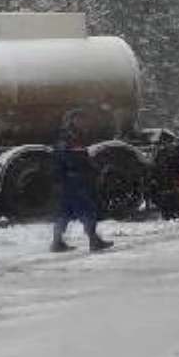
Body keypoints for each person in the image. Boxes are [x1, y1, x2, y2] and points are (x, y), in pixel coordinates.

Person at [51, 108, 112, 254]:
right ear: (72, 120)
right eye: (79, 119)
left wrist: (94, 170)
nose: (83, 122)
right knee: (87, 209)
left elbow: (80, 158)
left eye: (84, 119)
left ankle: (57, 242)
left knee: (65, 212)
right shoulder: (69, 137)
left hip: (72, 180)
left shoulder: (75, 135)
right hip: (74, 180)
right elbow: (67, 159)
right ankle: (93, 240)